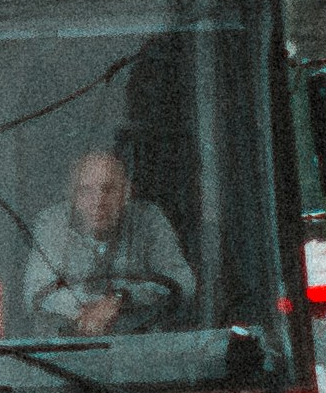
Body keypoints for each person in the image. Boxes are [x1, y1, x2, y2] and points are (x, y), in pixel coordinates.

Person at [21, 145, 196, 339]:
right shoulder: (53, 223)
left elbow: (183, 283)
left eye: (108, 189)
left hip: (140, 347)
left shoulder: (149, 220)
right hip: (65, 350)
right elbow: (35, 291)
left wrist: (121, 299)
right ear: (72, 197)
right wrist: (85, 311)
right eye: (86, 191)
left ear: (126, 192)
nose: (98, 201)